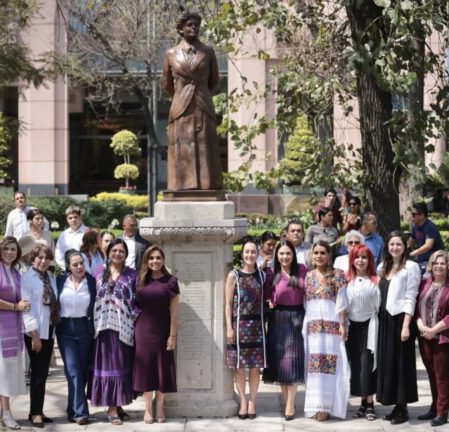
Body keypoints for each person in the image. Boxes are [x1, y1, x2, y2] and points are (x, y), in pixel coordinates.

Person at [162, 11, 223, 193]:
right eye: (189, 25)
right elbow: (167, 84)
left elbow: (214, 82)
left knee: (205, 146)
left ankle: (207, 186)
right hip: (181, 107)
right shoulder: (170, 53)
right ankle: (181, 186)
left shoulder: (208, 52)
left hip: (203, 105)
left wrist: (200, 94)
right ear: (181, 29)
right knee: (182, 147)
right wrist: (182, 95)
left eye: (196, 25)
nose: (193, 28)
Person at [0, 236, 30, 430]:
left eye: (13, 249)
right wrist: (15, 307)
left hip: (13, 323)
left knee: (8, 367)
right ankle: (8, 413)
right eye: (7, 249)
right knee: (2, 369)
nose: (10, 252)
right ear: (0, 251)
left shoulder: (17, 272)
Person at [89, 239, 139, 425]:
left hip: (124, 328)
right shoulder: (98, 272)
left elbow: (136, 300)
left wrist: (134, 317)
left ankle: (117, 404)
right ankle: (111, 408)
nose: (118, 254)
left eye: (121, 251)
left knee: (121, 364)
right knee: (109, 365)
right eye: (114, 250)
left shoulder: (133, 275)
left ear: (126, 254)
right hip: (103, 328)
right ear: (108, 252)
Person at [415, 250, 449, 427]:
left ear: (448, 265)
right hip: (425, 335)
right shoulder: (424, 283)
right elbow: (416, 308)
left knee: (442, 375)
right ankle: (434, 407)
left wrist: (434, 329)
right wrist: (422, 327)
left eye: (442, 263)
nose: (439, 266)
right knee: (431, 373)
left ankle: (442, 412)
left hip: (445, 338)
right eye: (435, 263)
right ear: (431, 265)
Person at [376, 231, 421, 424]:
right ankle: (395, 404)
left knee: (402, 364)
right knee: (389, 364)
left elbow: (411, 296)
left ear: (405, 247)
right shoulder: (382, 267)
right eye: (391, 244)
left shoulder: (411, 267)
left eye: (399, 244)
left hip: (400, 319)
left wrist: (406, 326)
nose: (395, 248)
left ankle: (403, 407)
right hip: (384, 320)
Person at [133, 245, 180, 424]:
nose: (155, 261)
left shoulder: (171, 281)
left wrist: (172, 335)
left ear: (163, 260)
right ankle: (147, 408)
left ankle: (160, 406)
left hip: (163, 330)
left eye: (158, 258)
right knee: (146, 369)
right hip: (143, 330)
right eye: (151, 258)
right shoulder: (140, 280)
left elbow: (175, 311)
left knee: (162, 368)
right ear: (147, 260)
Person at [303, 241, 350, 421]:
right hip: (313, 327)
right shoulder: (308, 276)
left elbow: (342, 302)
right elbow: (306, 303)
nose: (319, 256)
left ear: (329, 255)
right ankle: (316, 405)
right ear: (312, 255)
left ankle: (329, 406)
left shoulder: (338, 275)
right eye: (316, 253)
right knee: (314, 366)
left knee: (331, 365)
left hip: (331, 324)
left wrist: (342, 324)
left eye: (323, 252)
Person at [263, 240, 308, 421]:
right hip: (278, 318)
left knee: (293, 360)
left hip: (297, 316)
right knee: (281, 361)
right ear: (276, 255)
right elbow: (265, 295)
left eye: (288, 253)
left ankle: (290, 403)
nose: (284, 257)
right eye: (281, 253)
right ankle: (286, 399)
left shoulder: (302, 269)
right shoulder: (271, 272)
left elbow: (307, 289)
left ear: (293, 254)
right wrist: (269, 302)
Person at [225, 238, 266, 419]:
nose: (250, 255)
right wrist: (229, 328)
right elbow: (227, 304)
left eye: (253, 252)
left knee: (255, 368)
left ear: (258, 254)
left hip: (257, 326)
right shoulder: (234, 275)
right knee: (239, 367)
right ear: (242, 254)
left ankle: (252, 401)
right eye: (247, 252)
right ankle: (243, 400)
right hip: (239, 326)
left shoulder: (262, 276)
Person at [340, 244, 381, 421]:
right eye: (357, 257)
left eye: (364, 257)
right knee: (356, 366)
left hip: (370, 326)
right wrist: (342, 324)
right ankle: (363, 404)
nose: (360, 260)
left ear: (369, 260)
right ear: (352, 260)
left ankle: (371, 404)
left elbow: (380, 305)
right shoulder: (346, 280)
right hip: (352, 327)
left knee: (367, 365)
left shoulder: (377, 280)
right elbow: (341, 304)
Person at [56, 250, 97, 425]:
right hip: (65, 329)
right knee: (73, 371)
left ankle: (72, 408)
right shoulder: (59, 281)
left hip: (85, 328)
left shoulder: (92, 282)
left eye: (81, 263)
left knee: (82, 372)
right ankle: (81, 412)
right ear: (67, 266)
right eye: (75, 264)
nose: (79, 267)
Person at [20, 244, 59, 428]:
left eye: (46, 258)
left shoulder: (50, 277)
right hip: (35, 332)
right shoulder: (27, 279)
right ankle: (35, 413)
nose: (43, 261)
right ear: (32, 259)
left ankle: (38, 410)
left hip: (49, 330)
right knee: (37, 373)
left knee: (43, 373)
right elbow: (26, 309)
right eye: (40, 258)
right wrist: (34, 334)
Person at [409, 203, 445, 274]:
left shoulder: (430, 227)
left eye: (414, 214)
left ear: (422, 215)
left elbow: (428, 246)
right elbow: (410, 242)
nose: (412, 217)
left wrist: (413, 253)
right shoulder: (415, 227)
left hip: (432, 261)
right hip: (421, 260)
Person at [55, 205, 88, 270]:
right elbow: (58, 255)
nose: (73, 220)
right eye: (70, 218)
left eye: (75, 217)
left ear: (80, 217)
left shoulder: (88, 232)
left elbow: (93, 254)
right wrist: (68, 268)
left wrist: (85, 269)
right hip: (68, 271)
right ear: (67, 220)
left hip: (87, 271)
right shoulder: (63, 235)